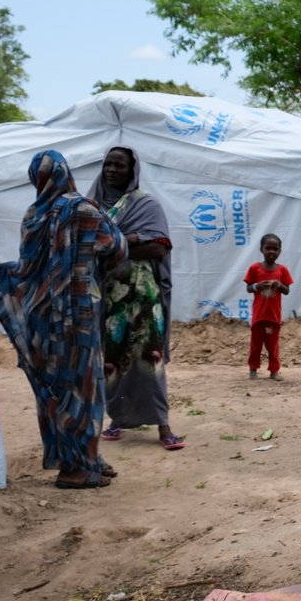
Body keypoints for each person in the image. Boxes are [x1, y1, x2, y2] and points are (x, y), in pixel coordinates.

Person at [0, 150, 127, 489]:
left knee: (57, 386)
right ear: (66, 174)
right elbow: (116, 247)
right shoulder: (84, 208)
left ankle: (79, 457)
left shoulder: (33, 215)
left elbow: (29, 266)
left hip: (44, 318)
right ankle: (78, 468)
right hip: (79, 316)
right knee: (83, 389)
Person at [89, 146, 185, 451]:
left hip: (144, 298)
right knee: (114, 360)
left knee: (149, 359)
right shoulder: (90, 208)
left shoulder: (147, 205)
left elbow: (158, 248)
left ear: (132, 170)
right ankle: (118, 419)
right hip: (110, 299)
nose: (112, 170)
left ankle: (163, 425)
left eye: (119, 165)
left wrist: (115, 244)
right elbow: (85, 247)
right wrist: (127, 241)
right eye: (108, 164)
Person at [243, 232, 293, 380]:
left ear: (279, 251)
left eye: (275, 249)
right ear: (261, 249)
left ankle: (274, 371)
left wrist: (279, 285)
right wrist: (258, 286)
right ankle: (253, 370)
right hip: (259, 316)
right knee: (256, 345)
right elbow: (248, 288)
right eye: (268, 248)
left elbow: (287, 291)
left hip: (273, 316)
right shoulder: (254, 268)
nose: (271, 251)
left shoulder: (282, 270)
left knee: (273, 346)